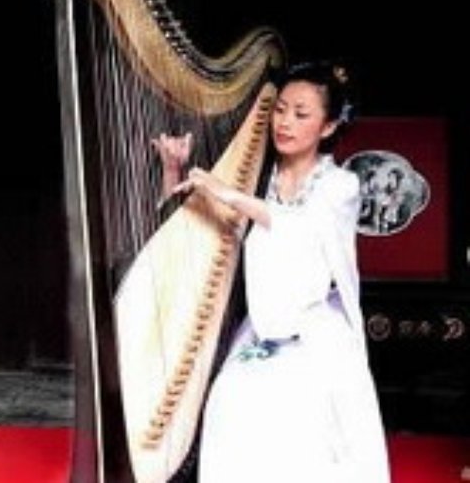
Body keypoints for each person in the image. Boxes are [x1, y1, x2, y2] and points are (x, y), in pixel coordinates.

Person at [152, 60, 391, 483]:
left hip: (314, 334)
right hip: (260, 329)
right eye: (279, 109)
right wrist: (174, 169)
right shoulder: (256, 176)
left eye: (301, 114)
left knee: (297, 420)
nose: (284, 122)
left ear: (328, 127)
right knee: (227, 403)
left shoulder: (341, 187)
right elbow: (184, 229)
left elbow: (297, 227)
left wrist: (226, 193)